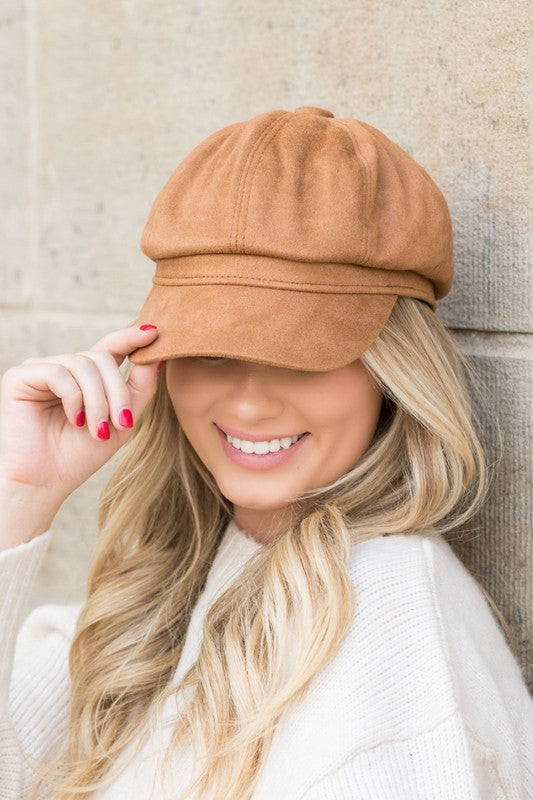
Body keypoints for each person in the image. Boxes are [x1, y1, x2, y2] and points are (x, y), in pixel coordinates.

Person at [0, 106, 531, 800]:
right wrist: (20, 495)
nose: (249, 403)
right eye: (212, 351)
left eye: (303, 356)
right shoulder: (157, 602)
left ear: (393, 370)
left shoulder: (395, 629)